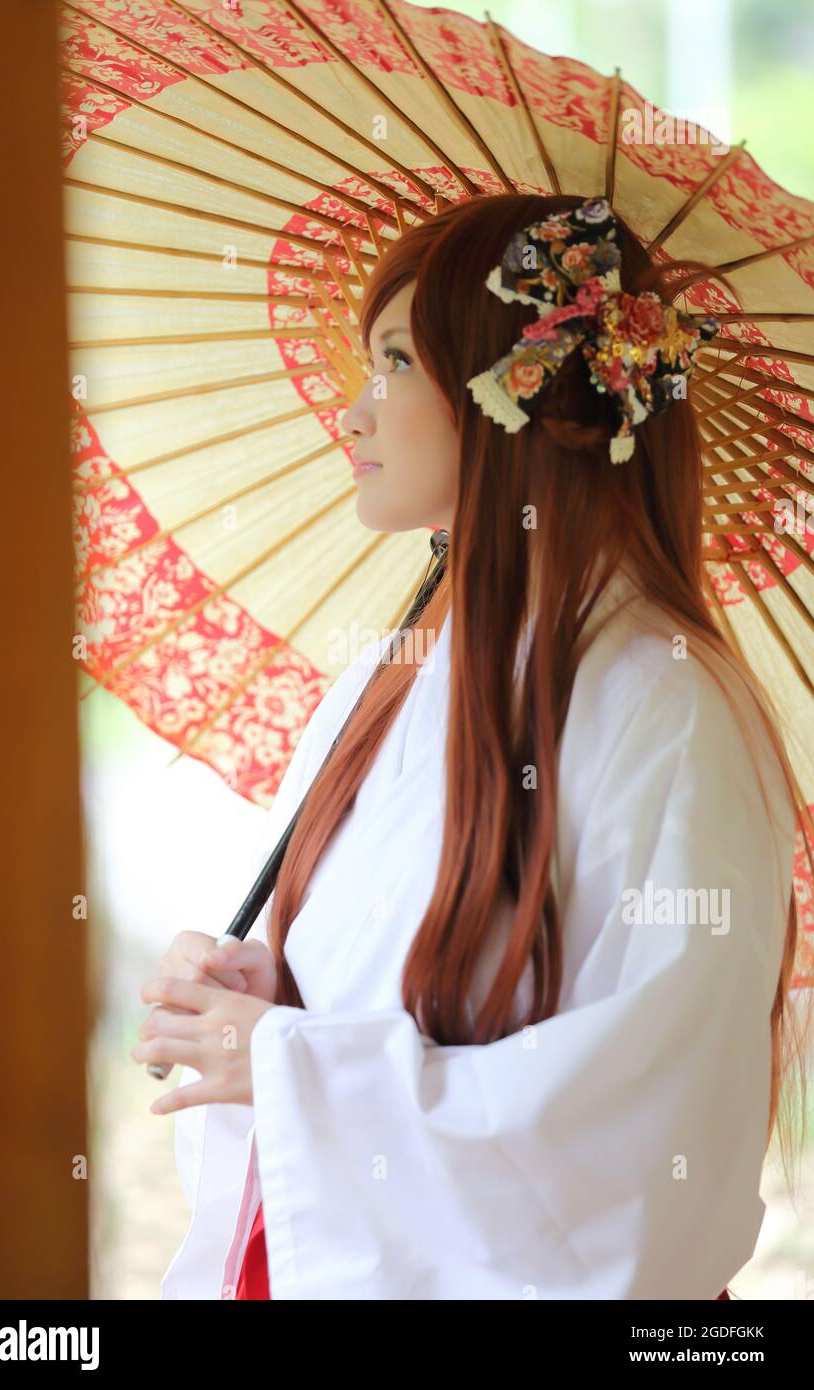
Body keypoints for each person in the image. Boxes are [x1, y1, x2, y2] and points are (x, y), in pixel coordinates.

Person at [133, 193, 811, 1300]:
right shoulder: (389, 672)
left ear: (522, 398)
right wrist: (271, 994)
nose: (350, 415)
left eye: (394, 361)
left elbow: (634, 1139)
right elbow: (390, 997)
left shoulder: (665, 707)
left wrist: (284, 1063)